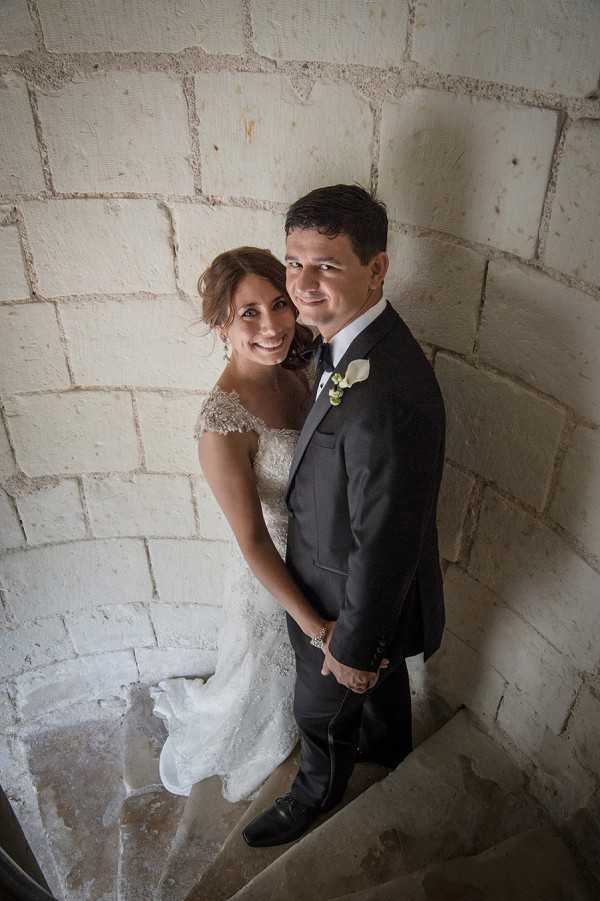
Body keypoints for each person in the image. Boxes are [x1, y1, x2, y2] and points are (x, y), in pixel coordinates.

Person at [242, 185, 446, 847]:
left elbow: (385, 540)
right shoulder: (351, 343)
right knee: (383, 697)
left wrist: (354, 649)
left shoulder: (385, 388)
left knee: (319, 708)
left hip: (345, 605)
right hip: (343, 585)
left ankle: (314, 796)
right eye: (293, 261)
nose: (301, 283)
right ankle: (389, 754)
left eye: (326, 265)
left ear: (377, 268)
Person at [151, 247, 329, 802]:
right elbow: (251, 540)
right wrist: (317, 628)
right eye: (248, 312)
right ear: (220, 321)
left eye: (279, 304)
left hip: (319, 549)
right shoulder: (221, 424)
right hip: (268, 575)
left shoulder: (298, 370)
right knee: (259, 677)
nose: (272, 325)